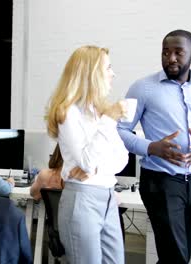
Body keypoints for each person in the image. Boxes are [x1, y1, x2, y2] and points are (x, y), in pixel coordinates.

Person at [118, 29, 191, 264]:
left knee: (178, 256)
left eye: (178, 52)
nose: (171, 58)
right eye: (166, 52)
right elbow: (119, 130)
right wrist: (150, 147)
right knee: (176, 257)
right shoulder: (141, 87)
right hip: (159, 181)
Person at [46, 45, 129, 263]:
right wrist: (110, 119)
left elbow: (123, 159)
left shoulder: (98, 112)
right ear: (92, 73)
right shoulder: (69, 113)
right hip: (83, 199)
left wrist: (95, 169)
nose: (113, 73)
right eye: (108, 68)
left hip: (108, 197)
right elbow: (86, 161)